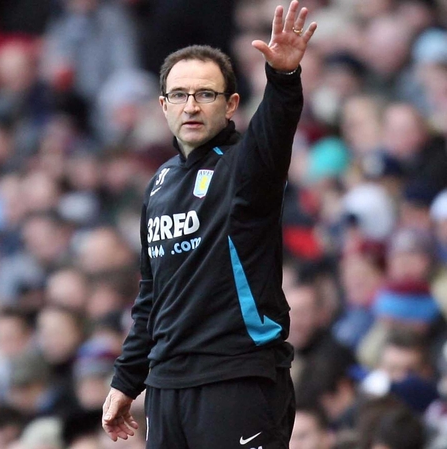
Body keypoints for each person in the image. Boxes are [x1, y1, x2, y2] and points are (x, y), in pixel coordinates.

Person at [101, 1, 317, 448]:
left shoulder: (244, 167)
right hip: (166, 387)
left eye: (206, 94)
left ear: (231, 104)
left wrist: (283, 78)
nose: (191, 106)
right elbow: (152, 296)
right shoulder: (159, 183)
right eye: (179, 95)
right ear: (163, 106)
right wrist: (126, 381)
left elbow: (274, 133)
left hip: (236, 377)